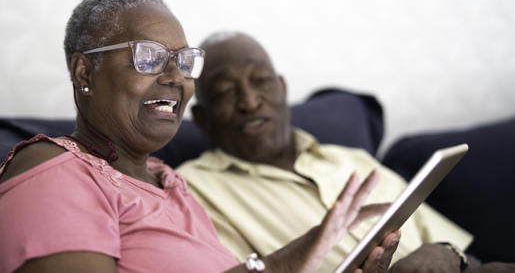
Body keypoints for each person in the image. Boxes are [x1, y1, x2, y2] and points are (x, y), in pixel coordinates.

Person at [0, 0, 399, 273]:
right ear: (85, 72)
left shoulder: (169, 183)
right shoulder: (55, 174)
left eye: (184, 60)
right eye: (150, 56)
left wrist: (303, 259)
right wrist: (282, 265)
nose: (176, 76)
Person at [177, 31, 478, 272]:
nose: (250, 101)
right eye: (225, 91)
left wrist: (447, 253)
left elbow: (468, 255)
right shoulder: (191, 191)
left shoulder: (352, 159)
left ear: (282, 89)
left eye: (261, 81)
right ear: (203, 119)